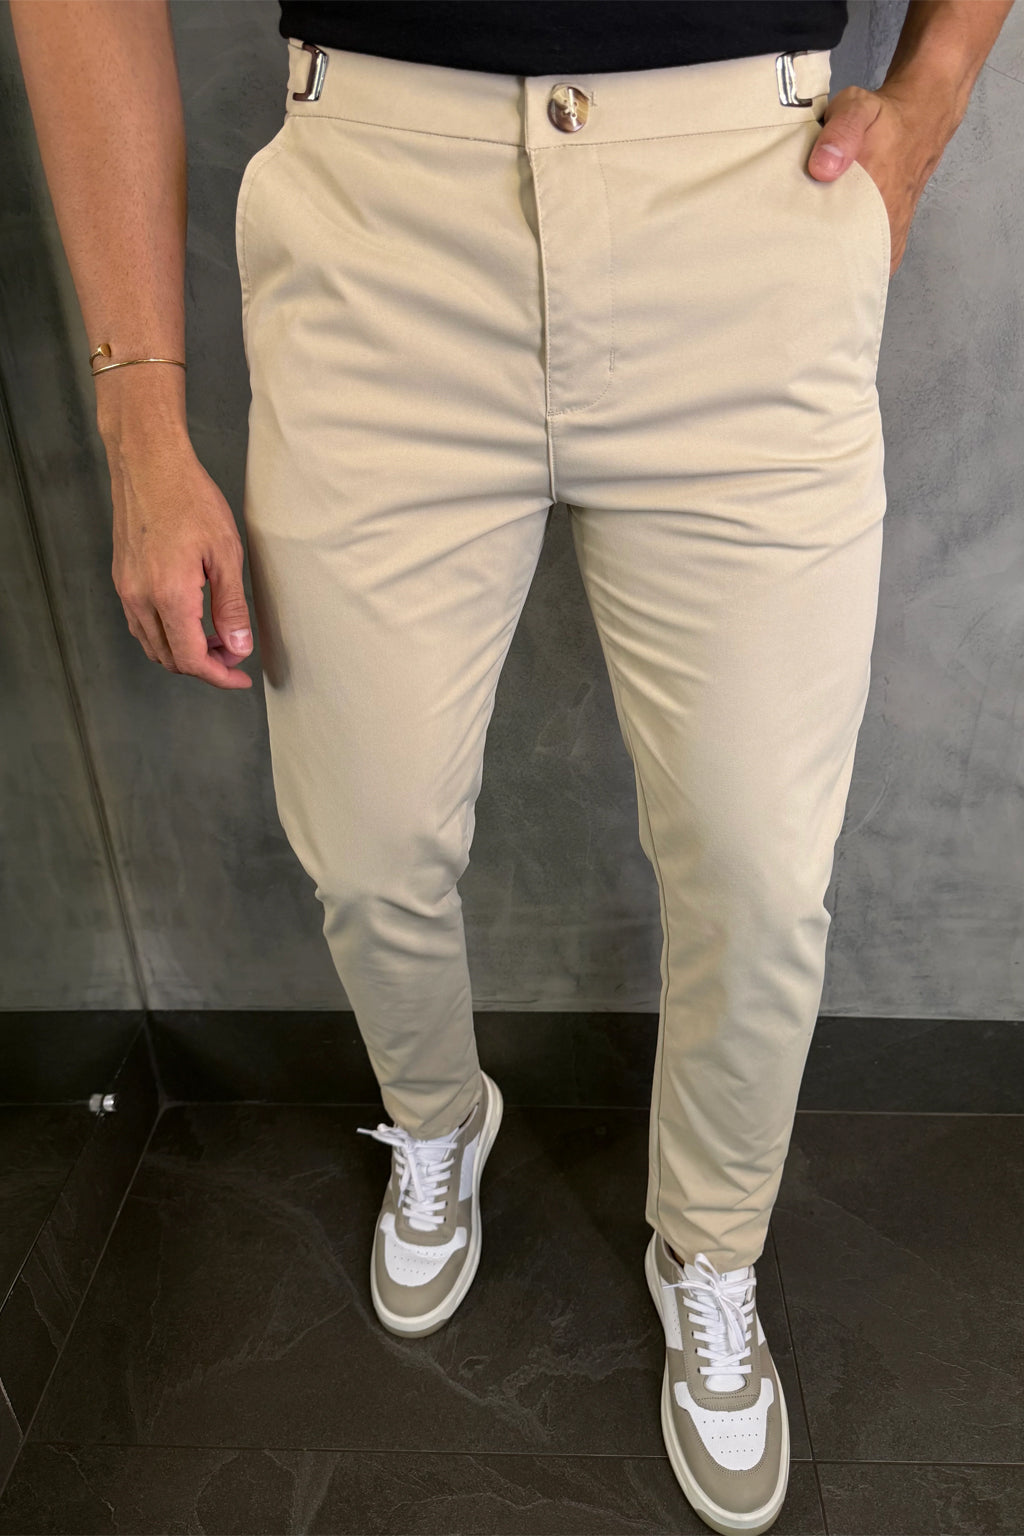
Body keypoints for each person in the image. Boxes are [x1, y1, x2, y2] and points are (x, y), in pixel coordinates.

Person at [11, 2, 1012, 1532]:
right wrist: (140, 407)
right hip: (380, 220)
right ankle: (437, 1118)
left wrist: (936, 86)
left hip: (747, 203)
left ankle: (711, 1249)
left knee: (760, 871)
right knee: (366, 839)